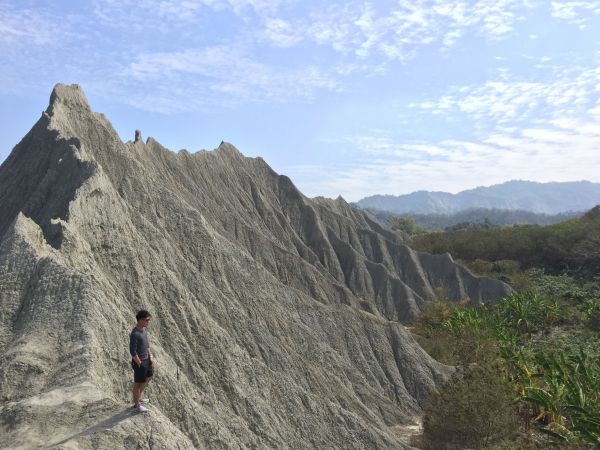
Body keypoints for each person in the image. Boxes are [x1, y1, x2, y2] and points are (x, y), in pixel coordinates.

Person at [129, 309, 155, 413]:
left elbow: (146, 345)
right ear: (140, 320)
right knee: (138, 384)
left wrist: (151, 356)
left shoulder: (143, 331)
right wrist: (139, 363)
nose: (148, 322)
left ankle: (138, 397)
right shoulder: (135, 334)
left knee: (149, 376)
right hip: (140, 363)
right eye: (147, 320)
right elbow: (132, 351)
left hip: (146, 360)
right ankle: (137, 405)